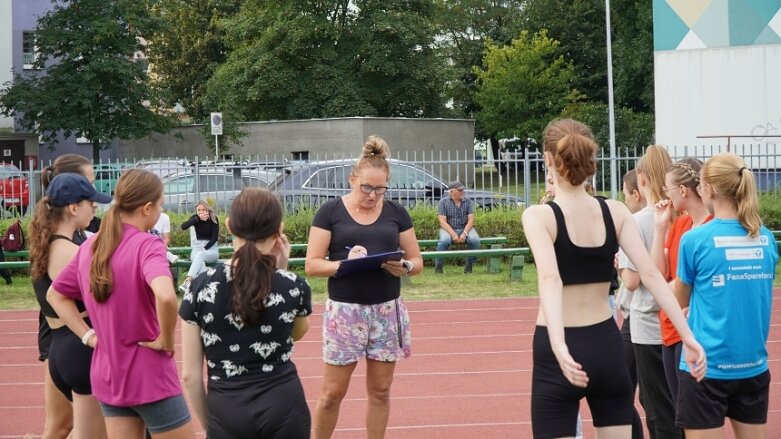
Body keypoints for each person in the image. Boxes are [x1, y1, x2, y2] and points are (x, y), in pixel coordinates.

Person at [522, 118, 705, 439]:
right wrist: (688, 336)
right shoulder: (616, 211)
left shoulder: (539, 216)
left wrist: (559, 346)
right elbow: (651, 274)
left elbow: (551, 280)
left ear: (548, 160)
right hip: (605, 345)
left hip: (559, 349)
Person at [47, 169, 195, 438]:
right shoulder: (147, 246)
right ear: (147, 208)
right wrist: (165, 340)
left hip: (108, 374)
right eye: (160, 205)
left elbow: (55, 295)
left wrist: (88, 336)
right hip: (150, 375)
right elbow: (166, 295)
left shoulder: (91, 248)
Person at [305, 135, 423, 439]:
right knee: (332, 392)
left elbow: (416, 261)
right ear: (352, 179)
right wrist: (344, 264)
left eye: (380, 188)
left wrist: (405, 267)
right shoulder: (330, 212)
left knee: (381, 391)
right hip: (345, 314)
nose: (372, 195)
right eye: (366, 187)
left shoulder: (397, 213)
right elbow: (312, 265)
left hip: (386, 311)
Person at [180, 187, 312, 438]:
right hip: (284, 404)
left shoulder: (199, 287)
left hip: (227, 407)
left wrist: (212, 425)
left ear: (229, 225)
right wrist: (281, 270)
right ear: (279, 230)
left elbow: (190, 376)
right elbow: (295, 333)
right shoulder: (293, 285)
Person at [674, 154, 777, 438]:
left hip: (706, 368)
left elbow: (679, 300)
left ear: (710, 189)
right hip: (752, 366)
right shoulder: (766, 237)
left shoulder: (695, 240)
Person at [29, 173, 112, 439]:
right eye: (91, 202)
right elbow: (104, 294)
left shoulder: (49, 244)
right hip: (80, 347)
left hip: (63, 346)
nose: (95, 207)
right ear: (74, 208)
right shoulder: (67, 252)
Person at [651, 158, 712, 403]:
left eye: (668, 189)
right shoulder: (682, 223)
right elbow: (658, 272)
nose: (666, 195)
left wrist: (664, 290)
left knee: (694, 411)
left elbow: (682, 284)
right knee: (680, 410)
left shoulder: (709, 228)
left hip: (693, 328)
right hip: (670, 325)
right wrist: (659, 227)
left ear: (684, 191)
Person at [616, 169, 645, 439]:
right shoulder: (669, 219)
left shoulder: (634, 223)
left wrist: (620, 268)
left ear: (636, 194)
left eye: (625, 195)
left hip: (639, 317)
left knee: (621, 393)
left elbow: (633, 279)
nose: (624, 200)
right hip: (656, 318)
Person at [435, 180, 480, 273]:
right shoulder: (443, 202)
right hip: (447, 229)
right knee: (444, 241)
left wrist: (465, 233)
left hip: (465, 228)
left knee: (475, 240)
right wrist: (453, 235)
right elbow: (442, 222)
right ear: (451, 192)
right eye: (459, 190)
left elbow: (471, 220)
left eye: (463, 190)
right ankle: (438, 267)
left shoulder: (468, 202)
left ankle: (469, 266)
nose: (462, 192)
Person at [179, 200, 219, 292]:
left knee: (200, 255)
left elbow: (214, 238)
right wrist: (197, 219)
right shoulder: (195, 218)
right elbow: (183, 227)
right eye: (199, 210)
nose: (201, 212)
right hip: (197, 246)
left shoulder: (214, 218)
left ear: (207, 210)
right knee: (200, 264)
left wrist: (204, 249)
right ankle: (205, 287)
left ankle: (188, 281)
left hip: (211, 248)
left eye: (203, 210)